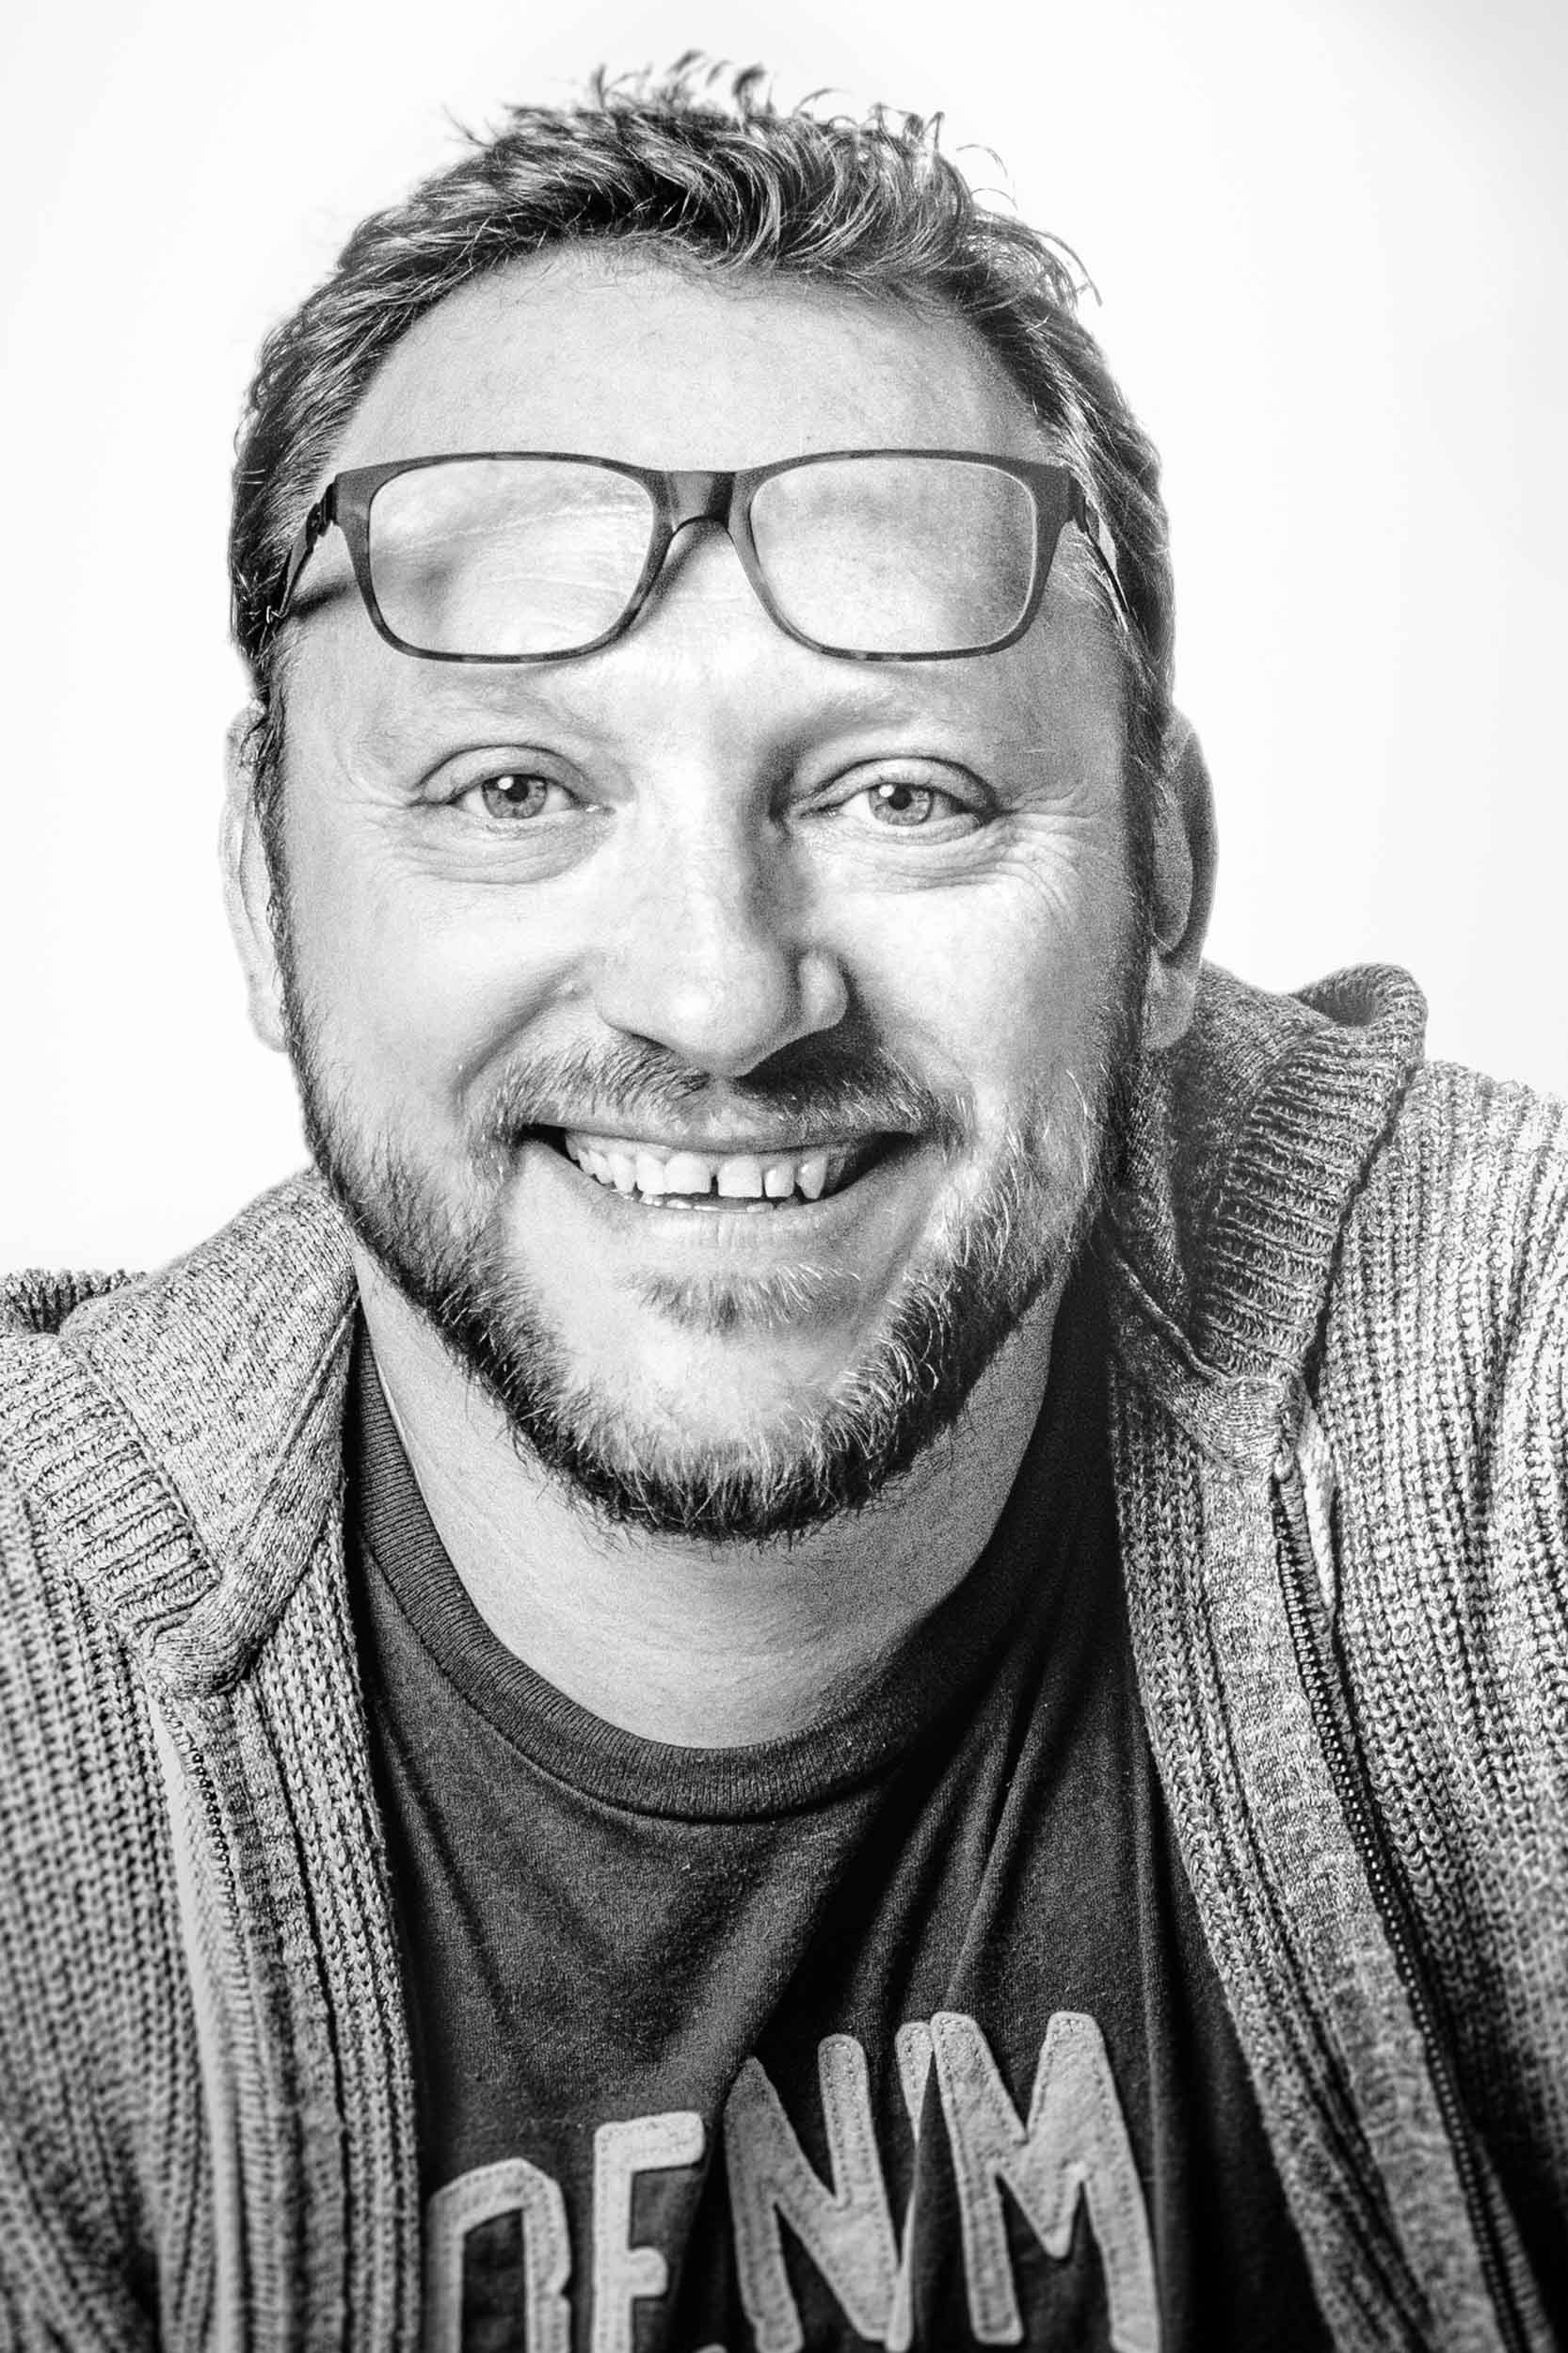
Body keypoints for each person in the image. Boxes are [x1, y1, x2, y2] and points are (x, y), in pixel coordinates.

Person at [1, 59, 1563, 2353]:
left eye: (904, 787)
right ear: (262, 881)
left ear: (1160, 886)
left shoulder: (1485, 1389)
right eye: (514, 782)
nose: (720, 993)